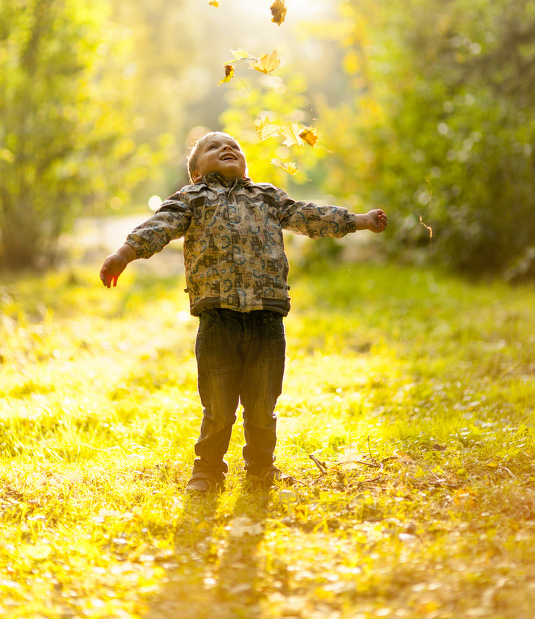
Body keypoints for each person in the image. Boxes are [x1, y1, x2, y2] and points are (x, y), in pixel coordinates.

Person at [100, 131, 387, 493]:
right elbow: (160, 227)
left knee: (262, 405)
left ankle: (261, 469)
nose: (226, 148)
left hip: (267, 315)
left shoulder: (266, 196)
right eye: (213, 147)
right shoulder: (192, 198)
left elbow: (308, 216)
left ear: (245, 162)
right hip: (217, 317)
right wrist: (124, 254)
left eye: (233, 146)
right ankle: (207, 471)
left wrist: (359, 220)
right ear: (196, 172)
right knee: (218, 407)